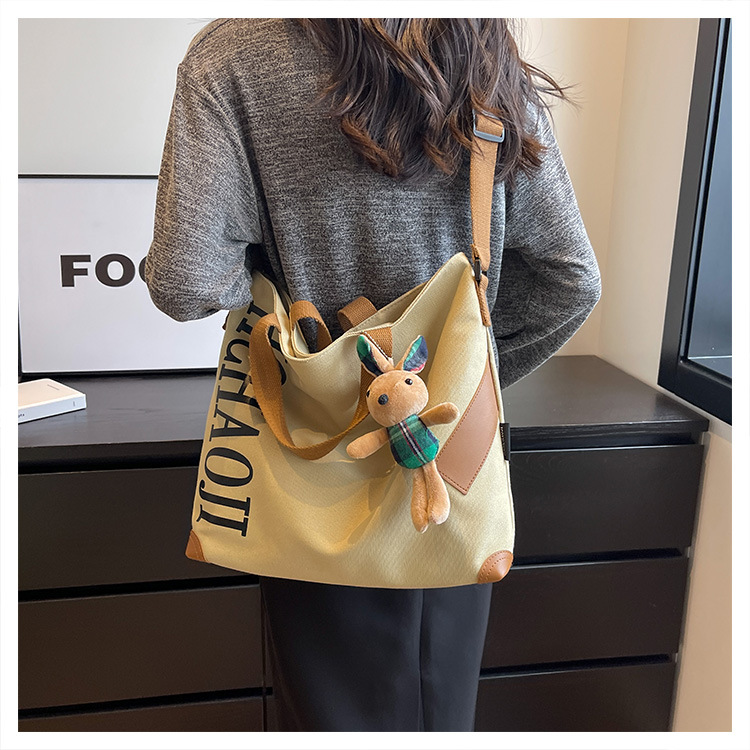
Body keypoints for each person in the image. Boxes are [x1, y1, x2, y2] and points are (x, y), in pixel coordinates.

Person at [145, 18, 601, 732]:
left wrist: (291, 318)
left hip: (309, 460)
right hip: (448, 465)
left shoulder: (233, 58)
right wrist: (449, 385)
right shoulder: (483, 56)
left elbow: (184, 280)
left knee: (325, 712)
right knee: (440, 708)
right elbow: (570, 282)